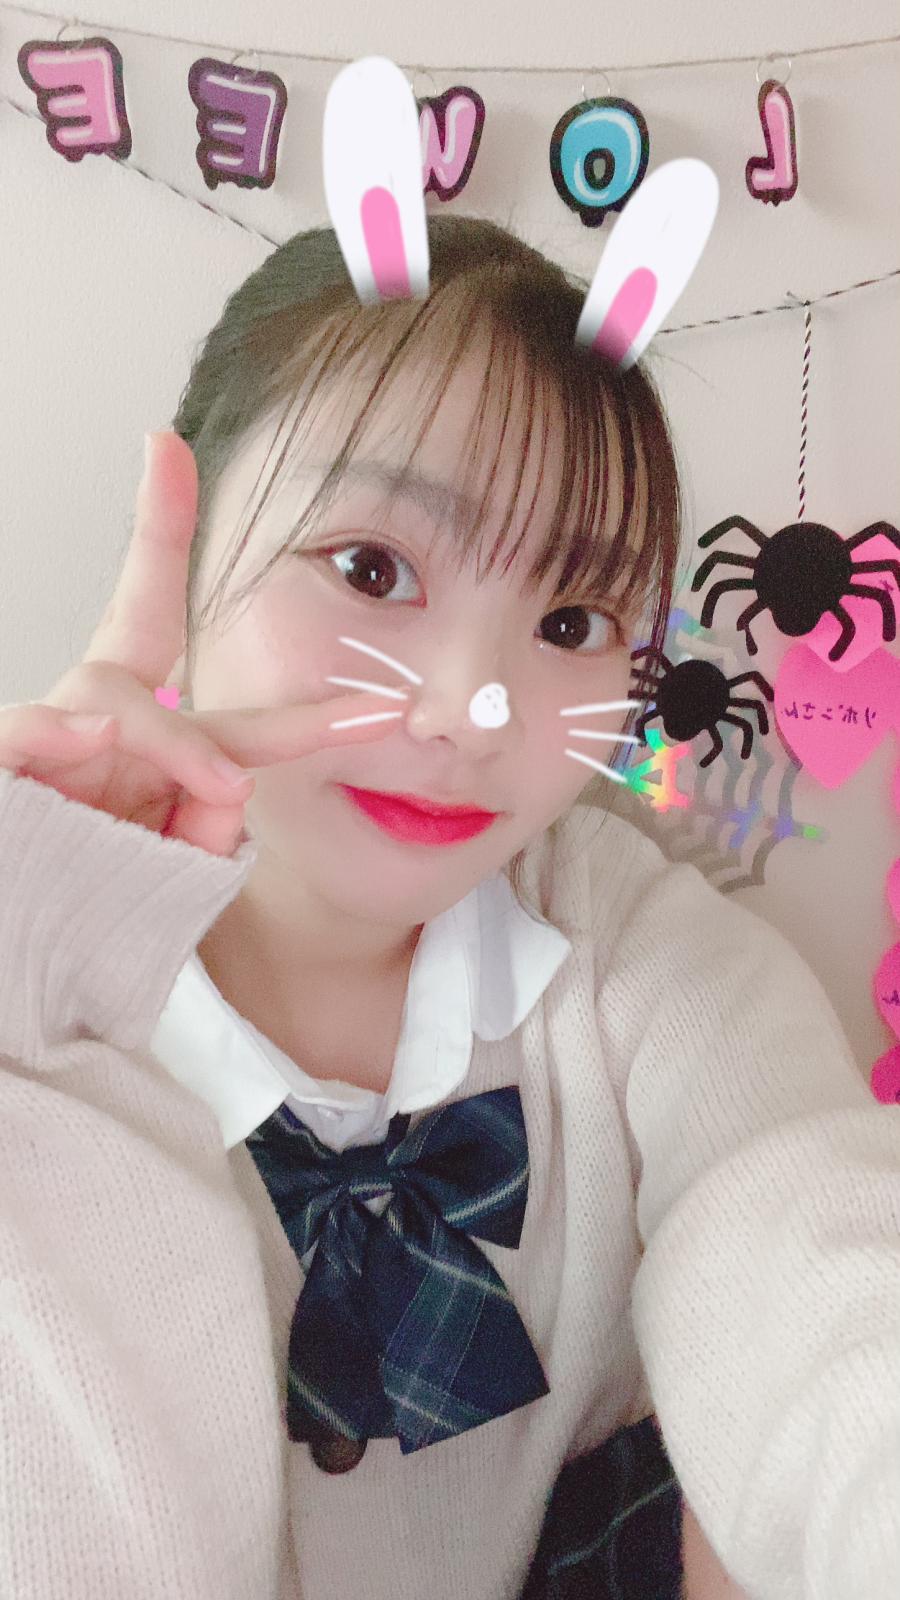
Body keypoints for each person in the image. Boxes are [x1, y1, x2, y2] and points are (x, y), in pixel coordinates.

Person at [0, 214, 896, 1600]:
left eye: (571, 624)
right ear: (183, 547)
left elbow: (817, 1264)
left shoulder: (632, 949)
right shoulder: (32, 980)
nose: (473, 710)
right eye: (373, 568)